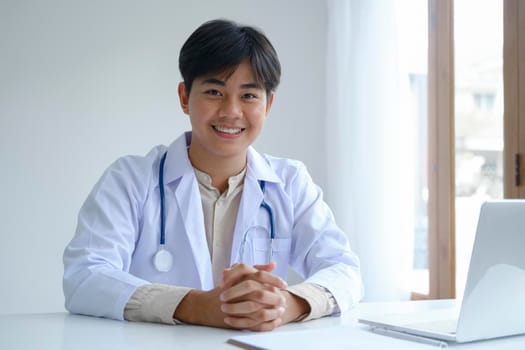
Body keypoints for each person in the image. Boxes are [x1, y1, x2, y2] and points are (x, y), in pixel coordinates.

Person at [63, 19, 363, 331]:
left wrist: (288, 304)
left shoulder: (291, 182)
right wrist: (194, 305)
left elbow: (344, 269)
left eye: (248, 96)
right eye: (214, 91)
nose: (231, 111)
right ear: (184, 97)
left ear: (268, 104)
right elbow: (85, 276)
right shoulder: (130, 179)